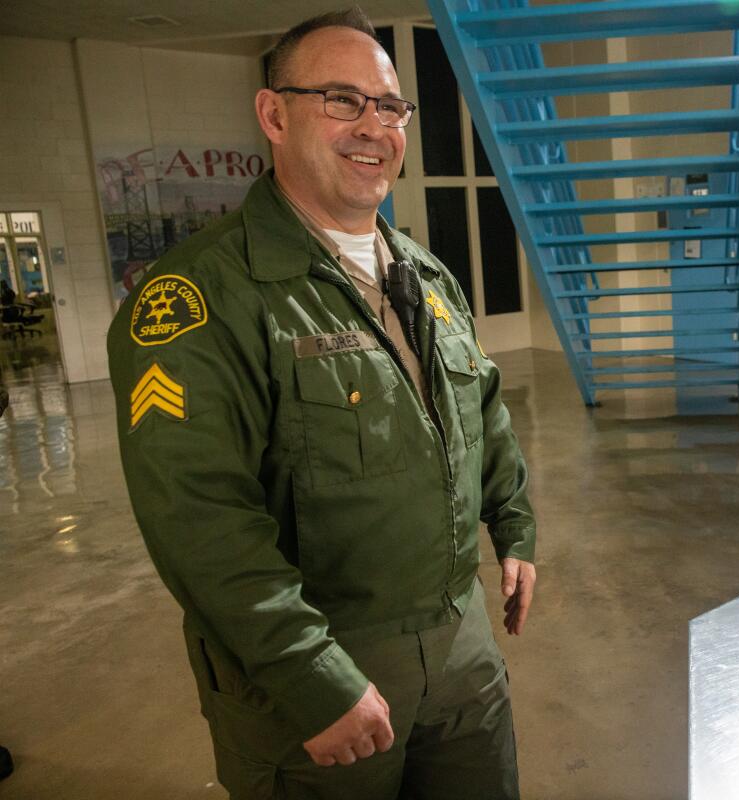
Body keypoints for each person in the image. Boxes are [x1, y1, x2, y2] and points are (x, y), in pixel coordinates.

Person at [106, 9, 536, 799]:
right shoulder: (198, 297)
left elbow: (486, 414)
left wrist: (515, 529)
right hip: (318, 679)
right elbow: (200, 519)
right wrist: (309, 676)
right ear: (274, 115)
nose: (374, 126)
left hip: (462, 648)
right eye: (342, 99)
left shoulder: (429, 279)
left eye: (390, 105)